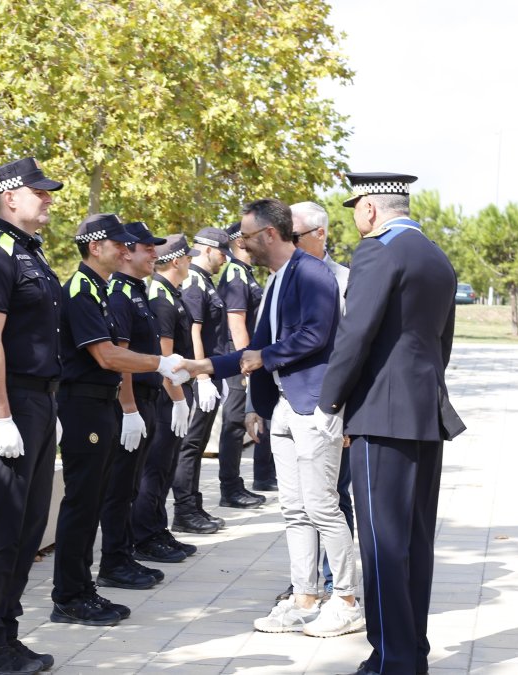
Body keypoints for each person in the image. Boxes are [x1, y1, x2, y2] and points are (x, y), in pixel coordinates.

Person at [182, 198, 364, 638]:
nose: (240, 244)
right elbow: (254, 350)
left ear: (268, 234)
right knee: (295, 510)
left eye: (245, 236)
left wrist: (263, 356)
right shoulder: (279, 277)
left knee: (323, 507)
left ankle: (346, 599)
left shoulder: (312, 274)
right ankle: (305, 597)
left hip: (313, 406)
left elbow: (316, 335)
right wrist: (205, 367)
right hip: (282, 409)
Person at [317, 173, 465, 675]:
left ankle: (392, 662)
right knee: (414, 543)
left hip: (381, 416)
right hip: (424, 412)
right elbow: (441, 343)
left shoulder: (377, 251)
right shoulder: (435, 255)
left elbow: (355, 334)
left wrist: (328, 403)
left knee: (381, 544)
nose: (355, 217)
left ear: (371, 209)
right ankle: (411, 652)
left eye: (355, 207)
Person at [50, 213, 188, 627]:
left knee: (93, 501)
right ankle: (70, 596)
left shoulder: (99, 287)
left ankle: (82, 588)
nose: (127, 251)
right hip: (83, 406)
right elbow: (108, 355)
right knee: (82, 503)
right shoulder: (81, 288)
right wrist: (162, 363)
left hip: (100, 404)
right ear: (95, 246)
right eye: (120, 244)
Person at [0, 157, 64, 675]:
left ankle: (5, 631)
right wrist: (0, 415)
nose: (48, 198)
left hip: (40, 401)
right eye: (39, 191)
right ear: (9, 197)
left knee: (28, 528)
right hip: (14, 401)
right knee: (1, 527)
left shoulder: (31, 253)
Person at [96, 221, 168, 592]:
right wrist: (128, 408)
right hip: (133, 399)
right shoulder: (120, 293)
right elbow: (121, 356)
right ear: (127, 252)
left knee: (131, 486)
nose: (155, 253)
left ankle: (124, 555)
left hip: (147, 397)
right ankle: (114, 560)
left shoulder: (137, 291)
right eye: (147, 248)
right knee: (121, 486)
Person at [290, 201, 353, 601]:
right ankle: (304, 583)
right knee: (299, 503)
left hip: (330, 410)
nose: (287, 243)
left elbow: (353, 351)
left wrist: (345, 412)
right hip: (291, 409)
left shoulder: (346, 280)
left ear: (320, 234)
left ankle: (336, 584)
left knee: (331, 498)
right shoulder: (283, 277)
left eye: (294, 236)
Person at [130, 234, 199, 565]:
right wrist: (177, 398)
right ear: (177, 260)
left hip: (174, 392)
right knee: (155, 469)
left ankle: (156, 528)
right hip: (165, 395)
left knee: (166, 466)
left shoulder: (169, 294)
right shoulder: (160, 297)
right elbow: (165, 355)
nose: (190, 262)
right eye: (187, 257)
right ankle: (144, 535)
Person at [171, 227, 231, 534]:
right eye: (222, 253)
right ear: (208, 249)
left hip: (206, 374)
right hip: (198, 377)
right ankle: (184, 510)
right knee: (190, 445)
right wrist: (203, 376)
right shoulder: (193, 280)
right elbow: (194, 330)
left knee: (197, 443)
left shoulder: (205, 281)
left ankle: (193, 504)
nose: (224, 259)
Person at [214, 222, 270, 507]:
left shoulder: (245, 273)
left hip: (243, 360)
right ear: (239, 241)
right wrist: (246, 362)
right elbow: (237, 323)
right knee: (234, 423)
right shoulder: (235, 273)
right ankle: (229, 488)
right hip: (238, 361)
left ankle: (235, 484)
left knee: (238, 423)